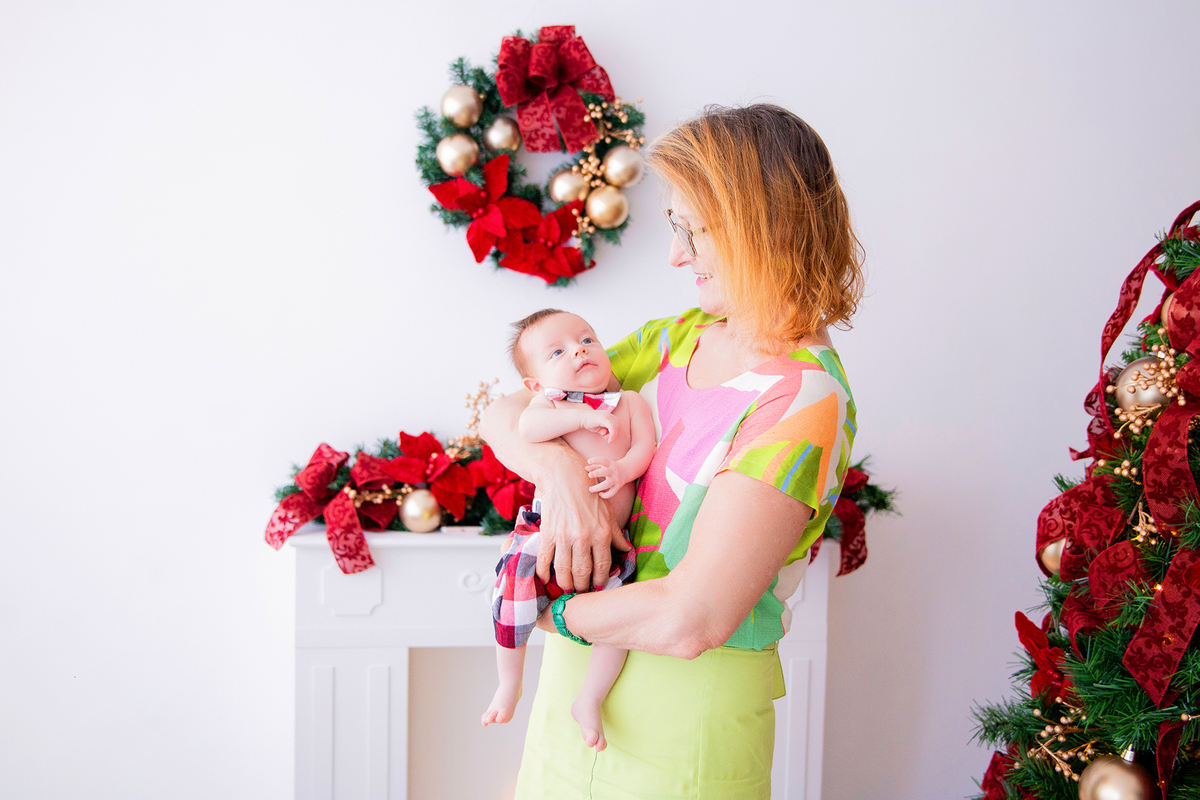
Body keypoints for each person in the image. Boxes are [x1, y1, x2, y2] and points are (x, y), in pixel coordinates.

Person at [480, 103, 864, 800]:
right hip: (580, 682)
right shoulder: (680, 336)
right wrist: (562, 478)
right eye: (673, 226)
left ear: (759, 225)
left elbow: (690, 618)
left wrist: (541, 612)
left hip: (684, 714)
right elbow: (506, 410)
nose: (676, 254)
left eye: (693, 229)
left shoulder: (805, 401)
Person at [482, 309, 656, 753]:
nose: (579, 350)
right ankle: (509, 681)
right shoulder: (550, 405)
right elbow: (527, 428)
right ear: (536, 385)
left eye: (587, 340)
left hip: (613, 540)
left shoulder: (631, 402)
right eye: (558, 351)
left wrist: (622, 469)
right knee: (513, 589)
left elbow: (644, 449)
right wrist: (578, 419)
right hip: (546, 530)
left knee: (619, 618)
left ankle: (590, 698)